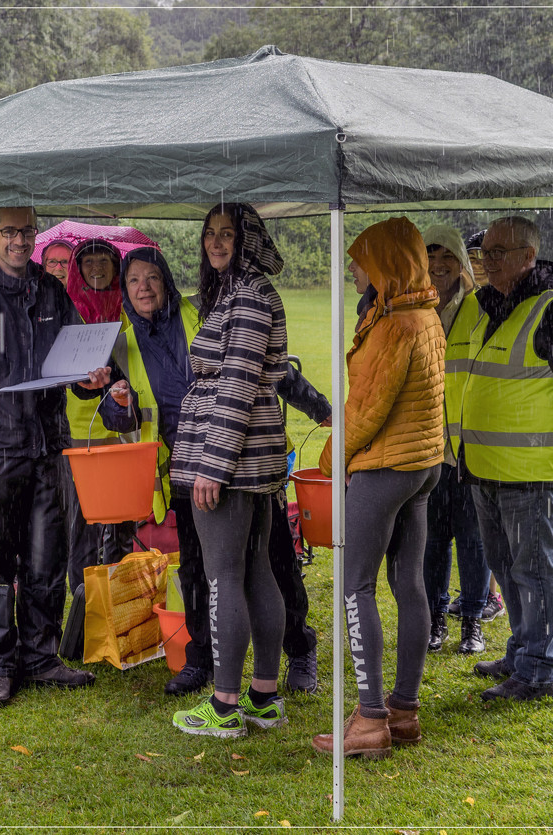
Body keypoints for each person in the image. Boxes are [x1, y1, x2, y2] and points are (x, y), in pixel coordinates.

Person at [100, 246, 329, 698]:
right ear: (124, 291)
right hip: (183, 471)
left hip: (242, 460)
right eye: (133, 281)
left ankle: (299, 649)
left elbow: (265, 368)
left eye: (151, 277)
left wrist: (318, 407)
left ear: (166, 279)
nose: (143, 287)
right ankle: (201, 659)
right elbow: (116, 416)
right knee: (198, 572)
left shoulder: (203, 311)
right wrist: (118, 403)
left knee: (275, 561)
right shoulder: (119, 343)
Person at [0, 206, 105, 709]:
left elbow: (73, 357)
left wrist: (91, 377)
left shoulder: (50, 289)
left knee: (46, 558)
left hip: (48, 446)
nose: (18, 241)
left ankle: (40, 656)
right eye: (8, 232)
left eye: (26, 231)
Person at [454, 215, 553, 702]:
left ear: (528, 257)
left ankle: (539, 669)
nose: (488, 260)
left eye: (500, 252)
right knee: (504, 564)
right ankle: (522, 649)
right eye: (485, 252)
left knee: (533, 571)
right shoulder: (486, 306)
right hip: (484, 469)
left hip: (529, 474)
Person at [312, 217, 444, 760]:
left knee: (354, 585)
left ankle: (370, 719)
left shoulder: (394, 326)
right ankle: (403, 710)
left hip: (386, 468)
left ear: (386, 263)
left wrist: (329, 459)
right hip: (423, 465)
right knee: (408, 583)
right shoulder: (424, 314)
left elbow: (365, 410)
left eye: (360, 260)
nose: (353, 269)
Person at [168, 203, 290, 738]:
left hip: (232, 460)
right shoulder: (237, 291)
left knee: (225, 577)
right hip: (252, 456)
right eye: (210, 234)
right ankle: (263, 696)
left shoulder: (248, 295)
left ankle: (224, 706)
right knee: (255, 569)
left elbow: (238, 381)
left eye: (227, 235)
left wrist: (212, 467)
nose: (216, 243)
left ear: (248, 240)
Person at [420, 223, 491, 656]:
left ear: (461, 262)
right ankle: (433, 620)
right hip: (428, 445)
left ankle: (472, 623)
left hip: (469, 445)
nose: (439, 264)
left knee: (472, 539)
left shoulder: (479, 308)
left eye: (447, 255)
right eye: (431, 255)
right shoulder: (416, 307)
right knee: (432, 539)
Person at [63, 238, 135, 586]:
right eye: (87, 261)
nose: (96, 267)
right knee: (85, 521)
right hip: (82, 429)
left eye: (104, 259)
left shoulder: (129, 306)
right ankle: (84, 594)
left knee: (123, 518)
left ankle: (120, 590)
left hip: (126, 430)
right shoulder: (68, 309)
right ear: (77, 269)